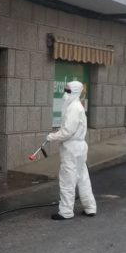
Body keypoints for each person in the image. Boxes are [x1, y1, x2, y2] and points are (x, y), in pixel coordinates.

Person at [46, 80, 97, 220]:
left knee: (67, 179)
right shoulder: (77, 106)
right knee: (83, 177)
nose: (65, 93)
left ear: (75, 92)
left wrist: (52, 136)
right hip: (79, 147)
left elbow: (67, 132)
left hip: (71, 148)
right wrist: (60, 132)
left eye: (68, 91)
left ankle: (66, 212)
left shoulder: (74, 107)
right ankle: (90, 207)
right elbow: (70, 128)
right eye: (65, 90)